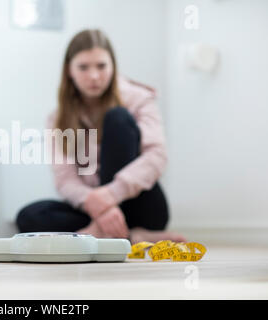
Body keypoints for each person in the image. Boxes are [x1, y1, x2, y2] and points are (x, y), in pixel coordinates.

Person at [16, 29, 186, 244]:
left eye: (101, 66)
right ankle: (131, 237)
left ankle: (98, 234)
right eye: (84, 67)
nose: (94, 76)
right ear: (70, 70)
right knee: (29, 217)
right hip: (94, 208)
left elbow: (157, 156)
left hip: (140, 207)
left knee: (118, 118)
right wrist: (96, 205)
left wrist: (111, 194)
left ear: (113, 66)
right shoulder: (57, 119)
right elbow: (65, 179)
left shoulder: (139, 99)